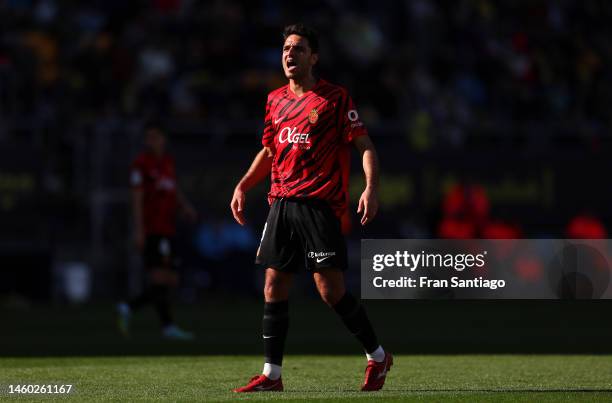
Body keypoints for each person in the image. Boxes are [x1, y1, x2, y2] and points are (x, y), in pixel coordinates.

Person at [230, 23, 392, 392]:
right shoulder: (274, 100)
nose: (290, 54)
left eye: (299, 49)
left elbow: (365, 146)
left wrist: (370, 187)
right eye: (286, 48)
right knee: (273, 284)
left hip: (320, 204)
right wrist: (243, 184)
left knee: (330, 290)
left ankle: (378, 356)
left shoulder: (334, 99)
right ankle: (272, 375)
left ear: (313, 57)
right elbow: (270, 151)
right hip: (282, 202)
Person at [117, 123, 197, 340]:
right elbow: (137, 198)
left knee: (169, 278)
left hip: (167, 226)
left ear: (164, 139)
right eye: (148, 137)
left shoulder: (167, 163)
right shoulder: (141, 164)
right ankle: (164, 325)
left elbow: (173, 188)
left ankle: (131, 308)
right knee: (161, 277)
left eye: (155, 137)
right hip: (153, 228)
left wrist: (184, 206)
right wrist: (139, 230)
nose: (151, 141)